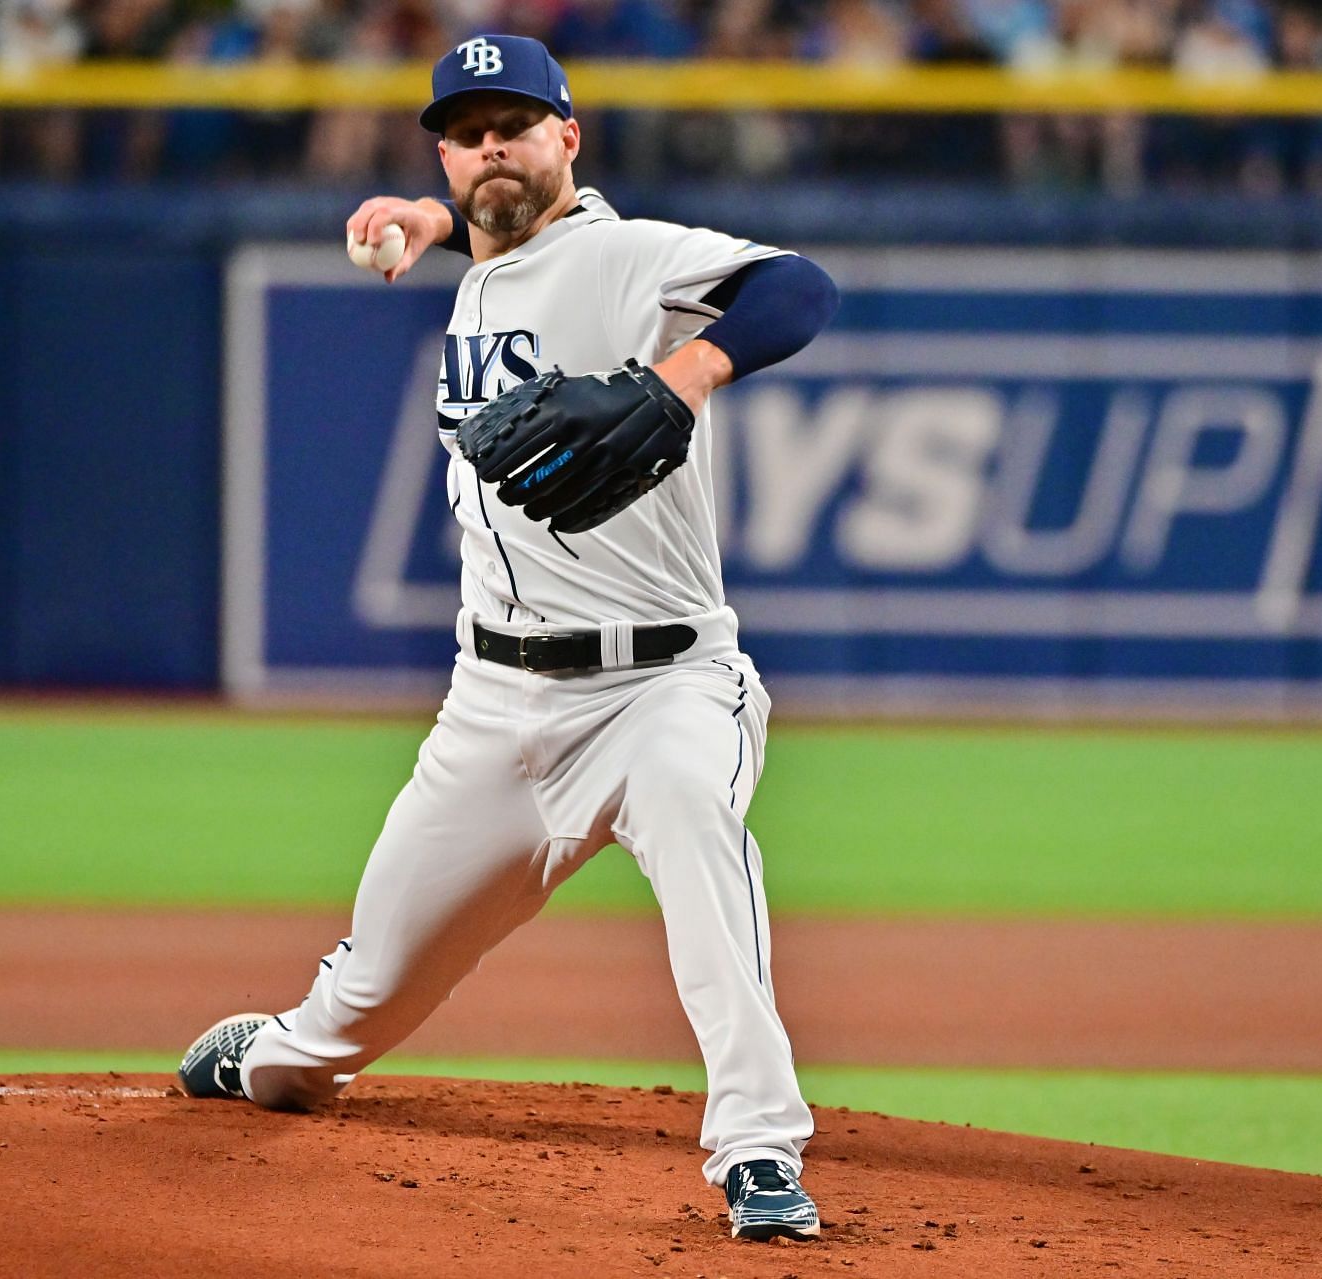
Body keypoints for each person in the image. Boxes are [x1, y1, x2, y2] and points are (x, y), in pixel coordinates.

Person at [177, 32, 841, 1245]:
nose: (494, 146)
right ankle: (279, 1049)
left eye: (517, 124)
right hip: (491, 710)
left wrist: (682, 373)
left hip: (663, 686)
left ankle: (759, 1149)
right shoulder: (478, 268)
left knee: (699, 828)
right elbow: (492, 234)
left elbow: (800, 287)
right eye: (468, 129)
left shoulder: (627, 254)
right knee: (337, 1029)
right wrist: (432, 227)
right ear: (441, 150)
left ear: (568, 138)